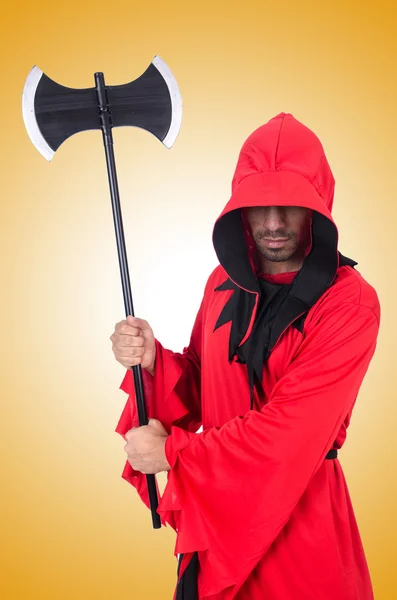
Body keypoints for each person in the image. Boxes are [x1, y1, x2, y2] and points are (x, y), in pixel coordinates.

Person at [111, 112, 380, 600]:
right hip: (217, 525)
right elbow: (198, 381)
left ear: (317, 208)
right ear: (240, 208)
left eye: (290, 206)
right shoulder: (222, 283)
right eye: (259, 206)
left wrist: (173, 453)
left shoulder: (349, 303)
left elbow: (289, 433)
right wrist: (153, 360)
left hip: (301, 527)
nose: (273, 223)